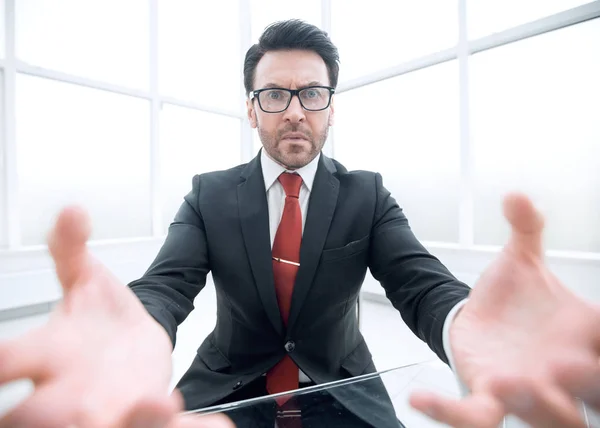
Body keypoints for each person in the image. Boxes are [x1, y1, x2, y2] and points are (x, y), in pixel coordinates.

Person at [0, 18, 599, 428]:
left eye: (312, 94)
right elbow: (167, 284)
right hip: (227, 388)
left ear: (331, 108)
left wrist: (466, 320)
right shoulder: (209, 195)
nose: (294, 112)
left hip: (345, 389)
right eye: (274, 96)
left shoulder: (367, 193)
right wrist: (135, 323)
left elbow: (421, 284)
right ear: (250, 108)